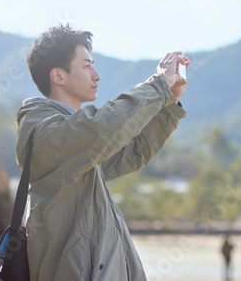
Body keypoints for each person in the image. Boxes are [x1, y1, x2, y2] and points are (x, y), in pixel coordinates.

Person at [16, 24, 189, 280]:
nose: (96, 75)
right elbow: (103, 128)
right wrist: (157, 87)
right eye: (86, 66)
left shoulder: (76, 145)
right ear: (58, 76)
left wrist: (169, 101)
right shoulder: (46, 135)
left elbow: (133, 150)